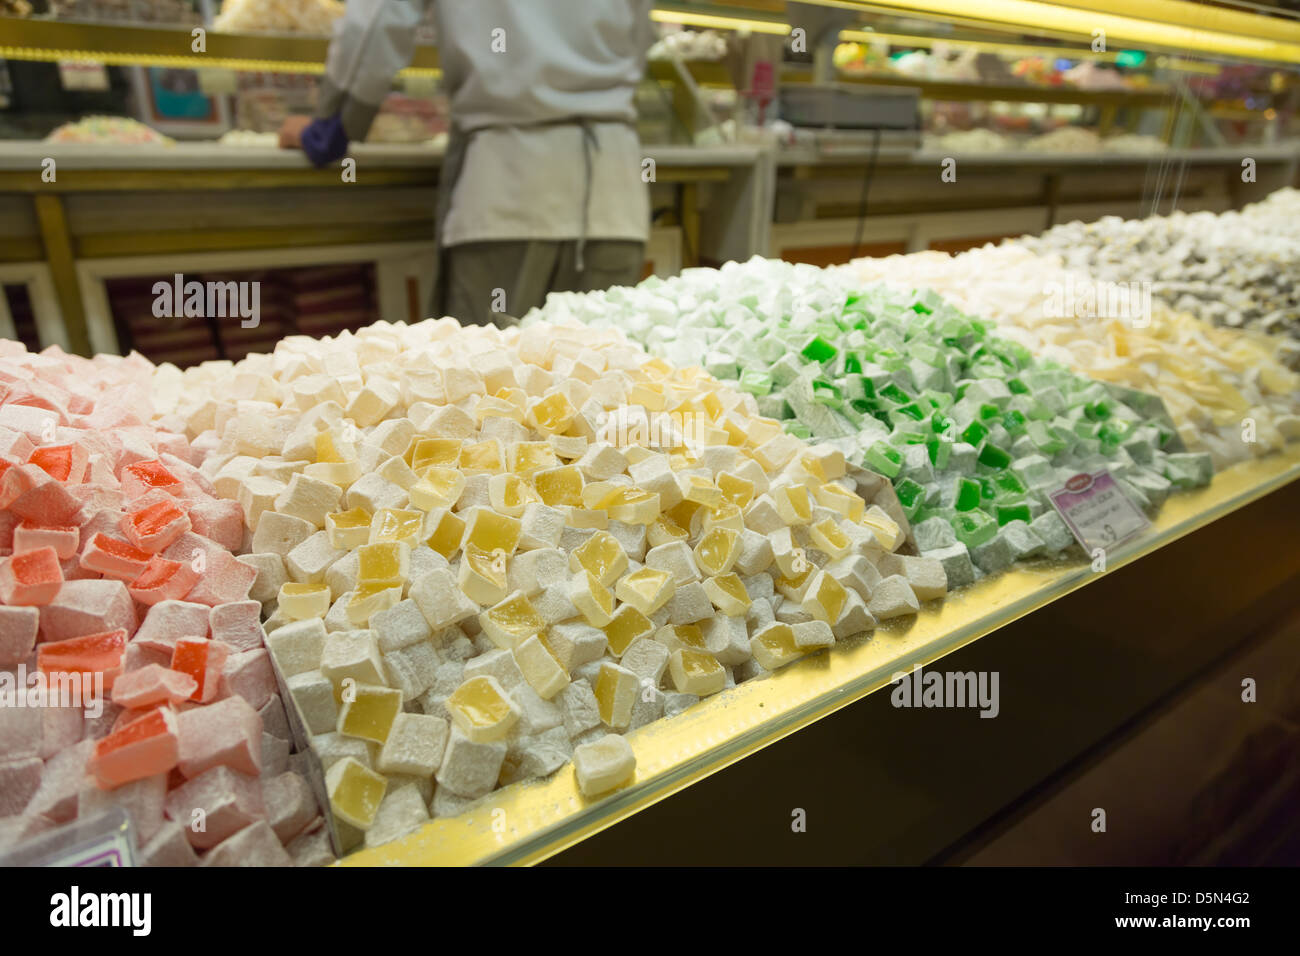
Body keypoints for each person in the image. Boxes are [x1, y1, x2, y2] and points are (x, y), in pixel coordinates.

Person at [281, 0, 655, 326]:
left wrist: (333, 125)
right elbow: (639, 36)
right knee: (605, 389)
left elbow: (376, 20)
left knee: (487, 393)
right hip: (616, 194)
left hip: (508, 191)